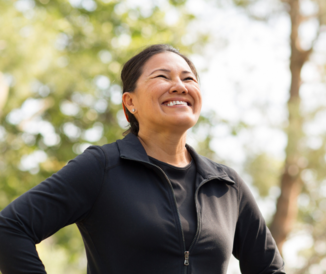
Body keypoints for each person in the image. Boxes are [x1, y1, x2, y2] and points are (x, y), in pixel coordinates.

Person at [0, 44, 285, 274]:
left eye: (188, 79)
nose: (179, 86)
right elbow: (9, 228)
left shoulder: (226, 185)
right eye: (162, 77)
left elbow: (269, 269)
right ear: (130, 103)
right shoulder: (102, 167)